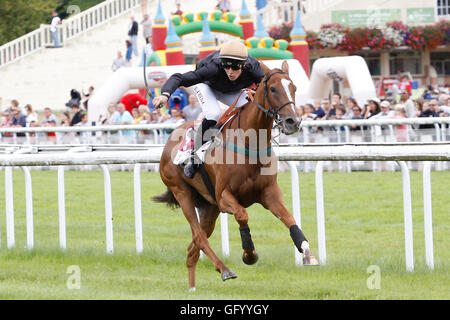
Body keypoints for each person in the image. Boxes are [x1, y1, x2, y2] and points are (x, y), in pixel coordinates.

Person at [152, 39, 264, 178]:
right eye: (226, 66)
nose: (230, 71)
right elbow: (179, 78)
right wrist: (165, 95)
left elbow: (266, 86)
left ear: (244, 64)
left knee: (251, 109)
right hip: (207, 86)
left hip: (232, 90)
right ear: (221, 63)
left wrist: (258, 91)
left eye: (235, 67)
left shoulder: (255, 68)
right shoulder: (213, 67)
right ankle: (195, 158)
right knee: (214, 114)